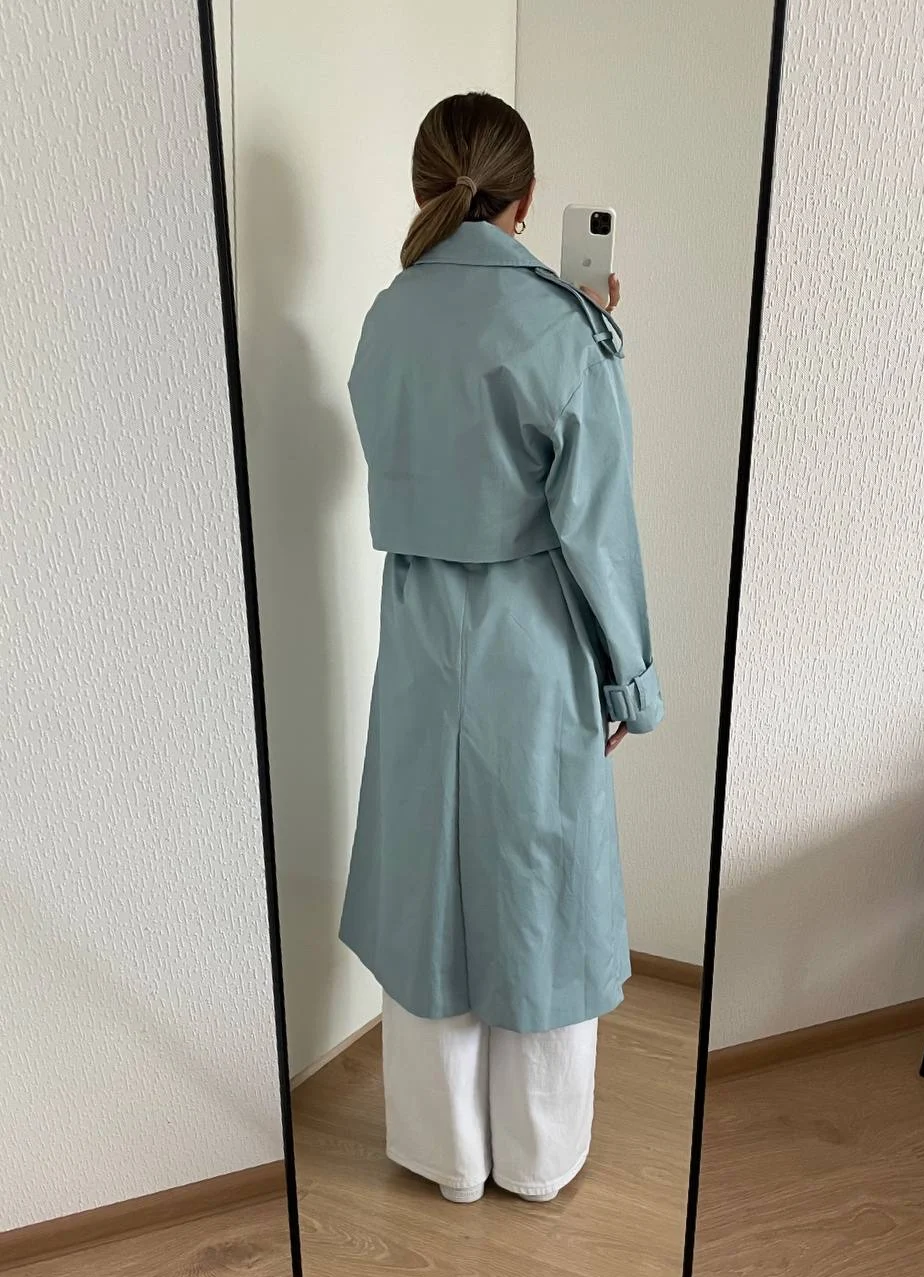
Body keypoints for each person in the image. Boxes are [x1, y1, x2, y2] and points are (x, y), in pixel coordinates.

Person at [339, 92, 663, 1205]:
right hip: (533, 642)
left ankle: (446, 1156)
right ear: (525, 198)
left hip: (418, 639)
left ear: (426, 183)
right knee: (541, 888)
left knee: (428, 889)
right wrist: (630, 677)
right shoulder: (562, 326)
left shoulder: (386, 315)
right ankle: (535, 1157)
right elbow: (598, 527)